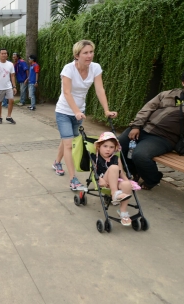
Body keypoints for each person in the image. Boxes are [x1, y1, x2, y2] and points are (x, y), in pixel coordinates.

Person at [118, 66, 184, 190]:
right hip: (143, 128)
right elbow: (147, 108)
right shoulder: (168, 94)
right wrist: (136, 126)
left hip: (163, 138)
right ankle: (133, 171)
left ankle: (153, 179)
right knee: (116, 146)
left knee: (140, 155)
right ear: (183, 82)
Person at [52, 40, 117, 191]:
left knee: (67, 139)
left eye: (91, 52)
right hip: (64, 111)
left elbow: (100, 89)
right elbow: (67, 92)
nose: (89, 56)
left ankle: (57, 162)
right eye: (85, 53)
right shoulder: (68, 69)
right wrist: (75, 111)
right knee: (69, 144)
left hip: (80, 112)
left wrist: (106, 110)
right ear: (77, 55)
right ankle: (73, 179)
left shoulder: (95, 68)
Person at [92, 132, 133, 225]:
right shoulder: (95, 157)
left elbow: (121, 173)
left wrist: (129, 182)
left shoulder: (115, 158)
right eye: (105, 146)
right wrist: (98, 179)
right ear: (99, 146)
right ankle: (114, 193)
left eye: (111, 147)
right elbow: (93, 171)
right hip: (104, 180)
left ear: (115, 148)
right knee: (114, 167)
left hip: (115, 181)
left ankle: (123, 212)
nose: (108, 149)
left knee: (126, 184)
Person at [0, 48, 17, 125]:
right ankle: (0, 117)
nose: (4, 55)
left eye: (5, 53)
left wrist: (14, 86)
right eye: (2, 53)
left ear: (7, 55)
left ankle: (9, 116)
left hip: (8, 86)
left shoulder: (10, 64)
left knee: (11, 100)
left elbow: (12, 76)